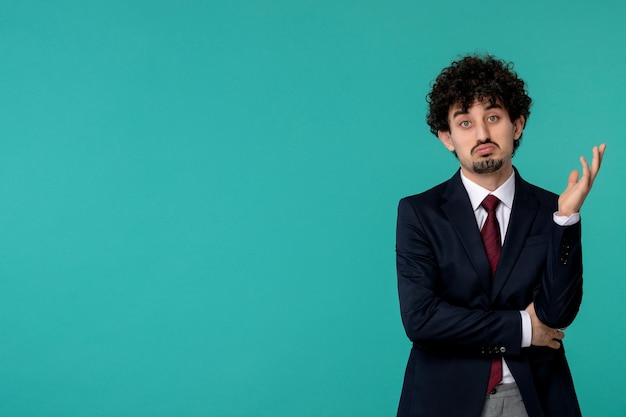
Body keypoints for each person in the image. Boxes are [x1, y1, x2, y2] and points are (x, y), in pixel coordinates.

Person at [395, 54, 606, 417]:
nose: (481, 134)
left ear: (517, 124)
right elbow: (422, 320)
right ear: (447, 137)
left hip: (536, 396)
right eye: (465, 122)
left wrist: (566, 218)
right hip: (443, 398)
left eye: (493, 118)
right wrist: (523, 327)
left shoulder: (550, 209)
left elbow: (557, 313)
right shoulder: (419, 213)